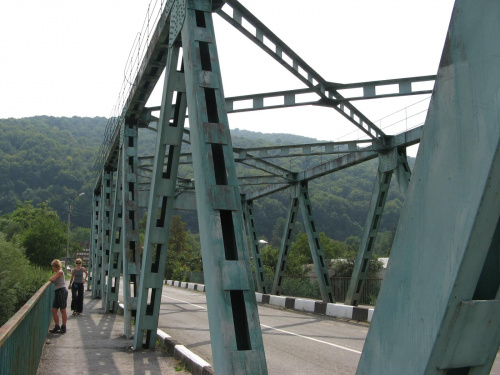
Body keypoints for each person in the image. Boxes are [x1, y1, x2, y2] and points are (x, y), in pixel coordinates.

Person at [49, 259, 68, 333]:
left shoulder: (60, 272)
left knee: (62, 310)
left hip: (61, 291)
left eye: (52, 266)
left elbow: (52, 279)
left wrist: (52, 277)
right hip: (58, 291)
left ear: (55, 266)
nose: (52, 268)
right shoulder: (58, 272)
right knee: (54, 310)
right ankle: (57, 326)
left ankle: (63, 326)